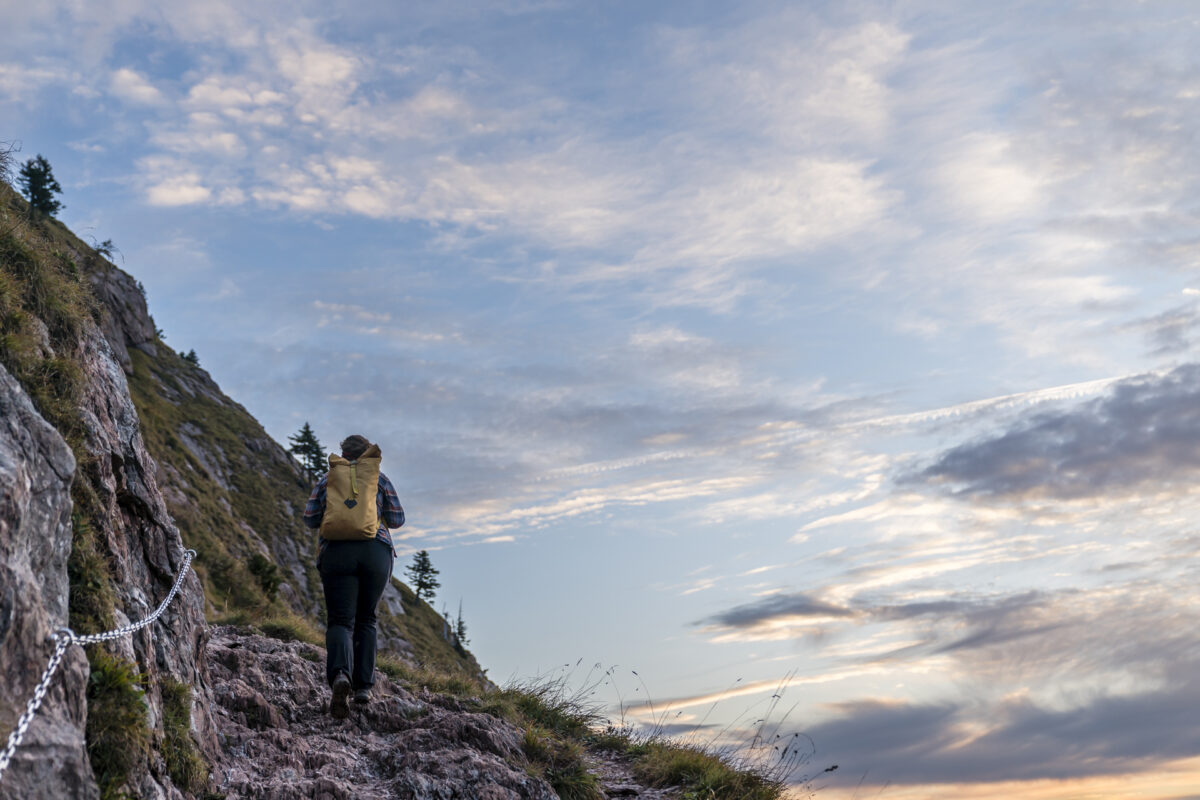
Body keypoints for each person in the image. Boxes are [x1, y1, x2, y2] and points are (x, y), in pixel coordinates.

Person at [302, 434, 404, 719]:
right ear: (367, 453)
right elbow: (397, 519)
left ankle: (339, 677)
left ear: (343, 454)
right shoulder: (379, 479)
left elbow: (310, 518)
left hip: (336, 553)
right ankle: (363, 688)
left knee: (340, 621)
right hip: (376, 551)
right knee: (367, 619)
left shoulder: (327, 479)